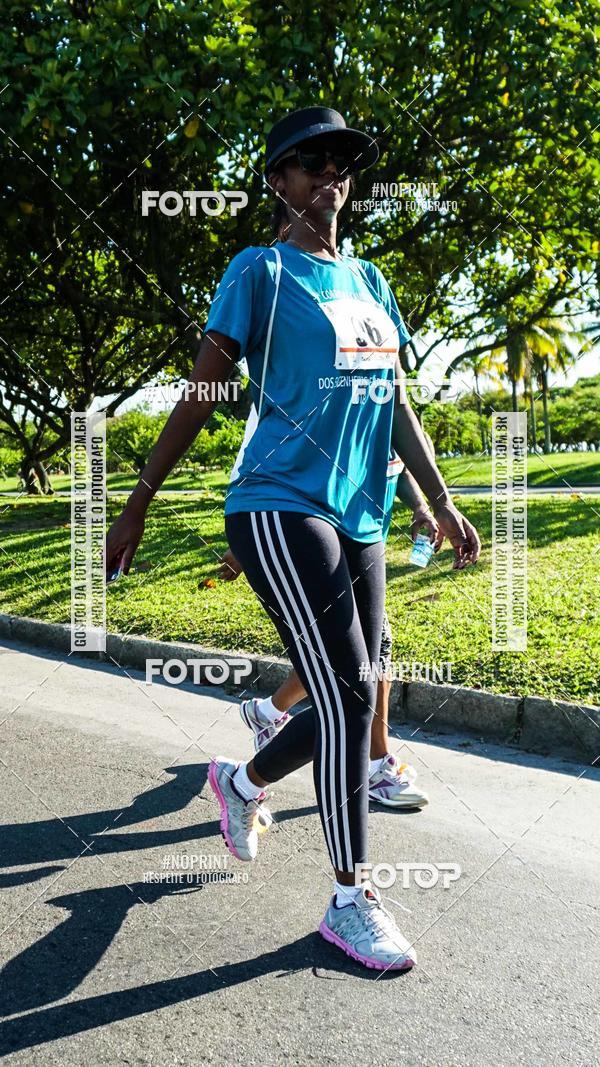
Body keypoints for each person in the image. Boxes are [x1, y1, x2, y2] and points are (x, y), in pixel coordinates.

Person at [106, 106, 480, 972]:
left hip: (360, 514)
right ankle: (350, 901)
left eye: (342, 163)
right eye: (311, 163)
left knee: (359, 682)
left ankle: (239, 782)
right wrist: (139, 500)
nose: (330, 176)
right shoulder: (260, 271)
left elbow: (396, 403)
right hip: (277, 502)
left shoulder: (373, 281)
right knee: (347, 689)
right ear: (278, 180)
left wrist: (439, 498)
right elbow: (202, 392)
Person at [218, 446, 440, 810]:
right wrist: (244, 541)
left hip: (363, 543)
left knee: (343, 659)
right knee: (359, 664)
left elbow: (397, 465)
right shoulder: (322, 411)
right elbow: (272, 467)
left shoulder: (390, 416)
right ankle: (372, 764)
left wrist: (421, 508)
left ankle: (266, 720)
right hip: (320, 545)